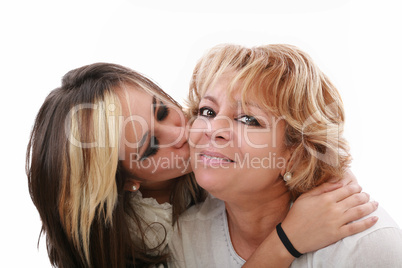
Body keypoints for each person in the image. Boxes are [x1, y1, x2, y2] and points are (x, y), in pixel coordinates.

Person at [27, 62, 378, 268]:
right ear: (126, 182)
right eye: (150, 146)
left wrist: (319, 168)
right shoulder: (128, 246)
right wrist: (284, 243)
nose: (182, 133)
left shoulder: (213, 150)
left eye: (164, 111)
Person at [169, 44, 402, 267]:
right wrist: (284, 243)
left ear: (297, 154)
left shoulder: (365, 246)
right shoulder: (185, 235)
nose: (213, 129)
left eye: (248, 119)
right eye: (208, 111)